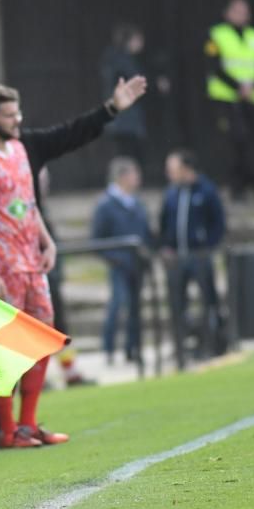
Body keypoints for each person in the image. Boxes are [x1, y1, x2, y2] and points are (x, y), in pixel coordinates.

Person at [0, 76, 147, 449]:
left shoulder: (22, 149)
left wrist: (49, 243)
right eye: (11, 114)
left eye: (19, 113)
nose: (19, 120)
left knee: (41, 340)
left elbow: (32, 202)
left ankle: (26, 424)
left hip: (32, 262)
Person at [158, 149, 226, 369]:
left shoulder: (206, 191)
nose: (169, 173)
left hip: (199, 255)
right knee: (177, 304)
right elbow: (164, 223)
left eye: (174, 168)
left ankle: (209, 345)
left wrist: (208, 246)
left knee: (207, 301)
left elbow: (218, 222)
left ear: (186, 168)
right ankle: (180, 350)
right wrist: (166, 247)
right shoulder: (171, 193)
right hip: (177, 258)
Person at [206, 0, 254, 201]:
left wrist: (253, 86)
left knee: (252, 143)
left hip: (253, 98)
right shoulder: (217, 35)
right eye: (237, 11)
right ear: (227, 13)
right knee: (236, 143)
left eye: (245, 11)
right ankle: (238, 188)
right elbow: (213, 67)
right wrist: (238, 87)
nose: (242, 15)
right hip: (226, 98)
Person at [91, 157, 153, 366]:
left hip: (138, 265)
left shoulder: (137, 203)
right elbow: (97, 240)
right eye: (133, 174)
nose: (137, 178)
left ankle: (131, 348)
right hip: (119, 266)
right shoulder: (106, 205)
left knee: (135, 308)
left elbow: (146, 233)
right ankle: (109, 349)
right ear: (122, 177)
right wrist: (115, 258)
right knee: (118, 306)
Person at [100, 23, 149, 161]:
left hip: (119, 113)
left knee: (124, 150)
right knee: (128, 151)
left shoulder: (113, 58)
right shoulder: (122, 60)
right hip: (125, 114)